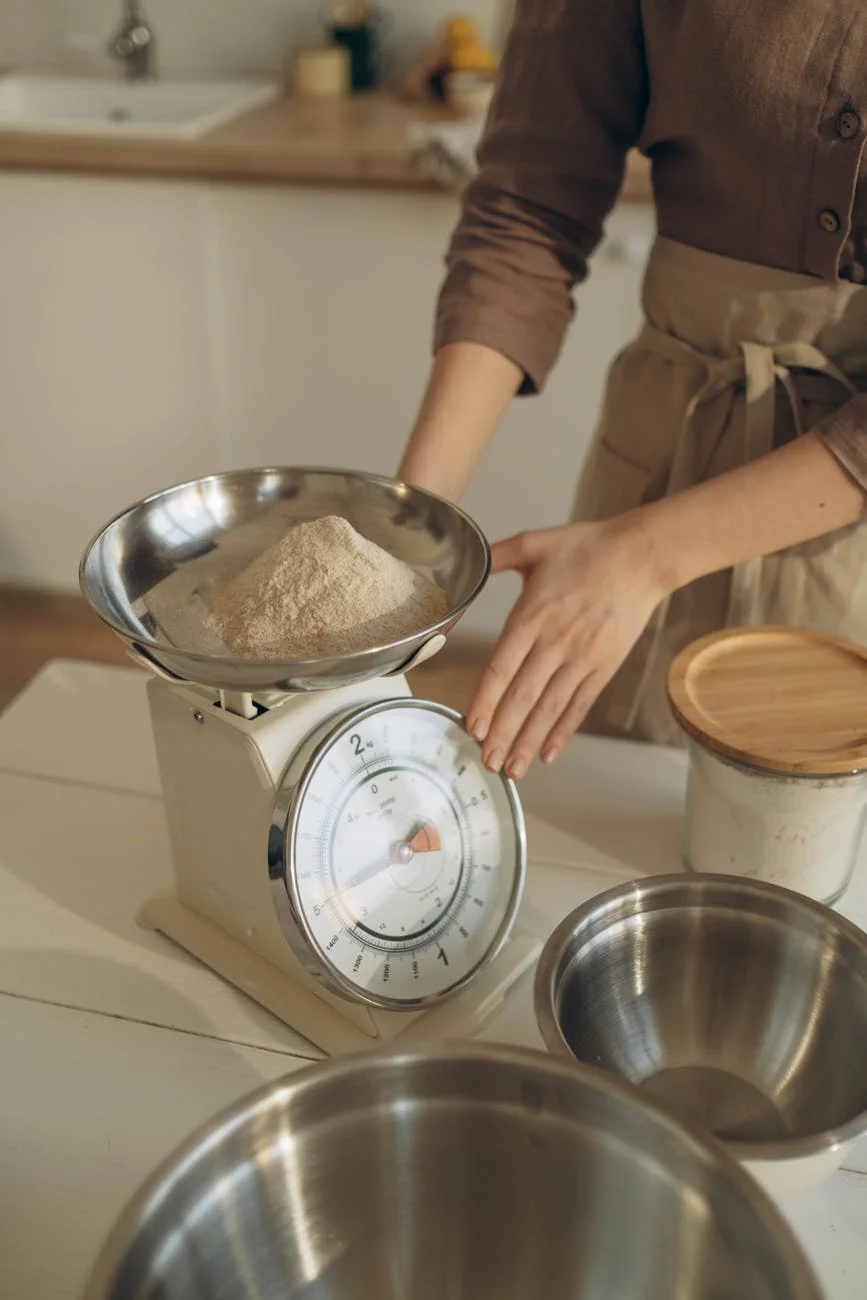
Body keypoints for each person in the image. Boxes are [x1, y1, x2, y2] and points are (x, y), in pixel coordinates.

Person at [396, 1, 867, 782]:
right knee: (601, 831)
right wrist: (406, 536)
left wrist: (645, 556)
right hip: (662, 461)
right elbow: (528, 213)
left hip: (795, 524)